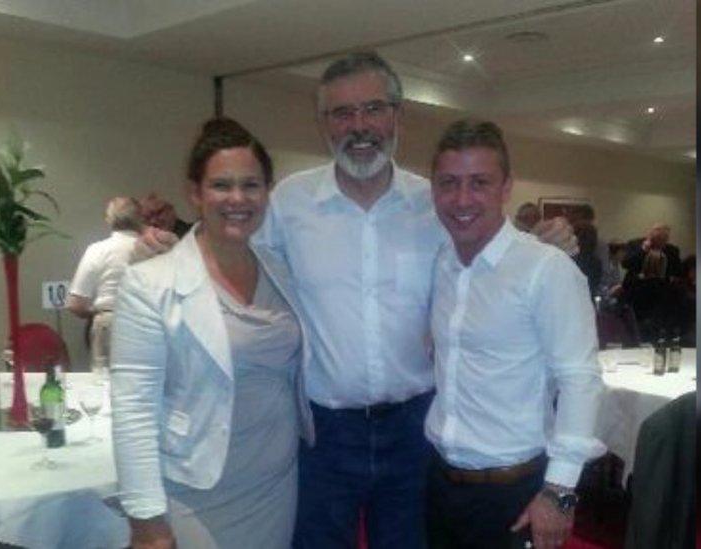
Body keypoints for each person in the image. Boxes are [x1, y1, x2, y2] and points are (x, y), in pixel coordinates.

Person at [136, 51, 577, 548]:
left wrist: (538, 239)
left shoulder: (434, 203)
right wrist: (172, 249)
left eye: (373, 108)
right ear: (323, 123)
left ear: (397, 115)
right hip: (323, 433)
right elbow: (229, 247)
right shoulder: (289, 203)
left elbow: (489, 249)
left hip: (415, 430)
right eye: (342, 113)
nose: (359, 125)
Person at [110, 118, 314, 549]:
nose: (237, 198)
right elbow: (133, 410)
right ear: (195, 194)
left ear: (267, 192)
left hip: (277, 485)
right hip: (198, 492)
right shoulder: (151, 282)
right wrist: (146, 521)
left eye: (251, 185)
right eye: (221, 185)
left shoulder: (280, 268)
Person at [425, 119, 604, 549]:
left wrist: (559, 491)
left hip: (513, 491)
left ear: (506, 187)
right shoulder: (441, 262)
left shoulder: (545, 269)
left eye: (479, 183)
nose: (462, 199)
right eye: (449, 183)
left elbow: (581, 380)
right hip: (436, 481)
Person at [66, 196, 144, 373]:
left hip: (108, 323)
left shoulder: (97, 250)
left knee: (104, 384)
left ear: (109, 220)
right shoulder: (153, 249)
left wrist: (96, 311)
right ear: (140, 218)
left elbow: (75, 304)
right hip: (146, 323)